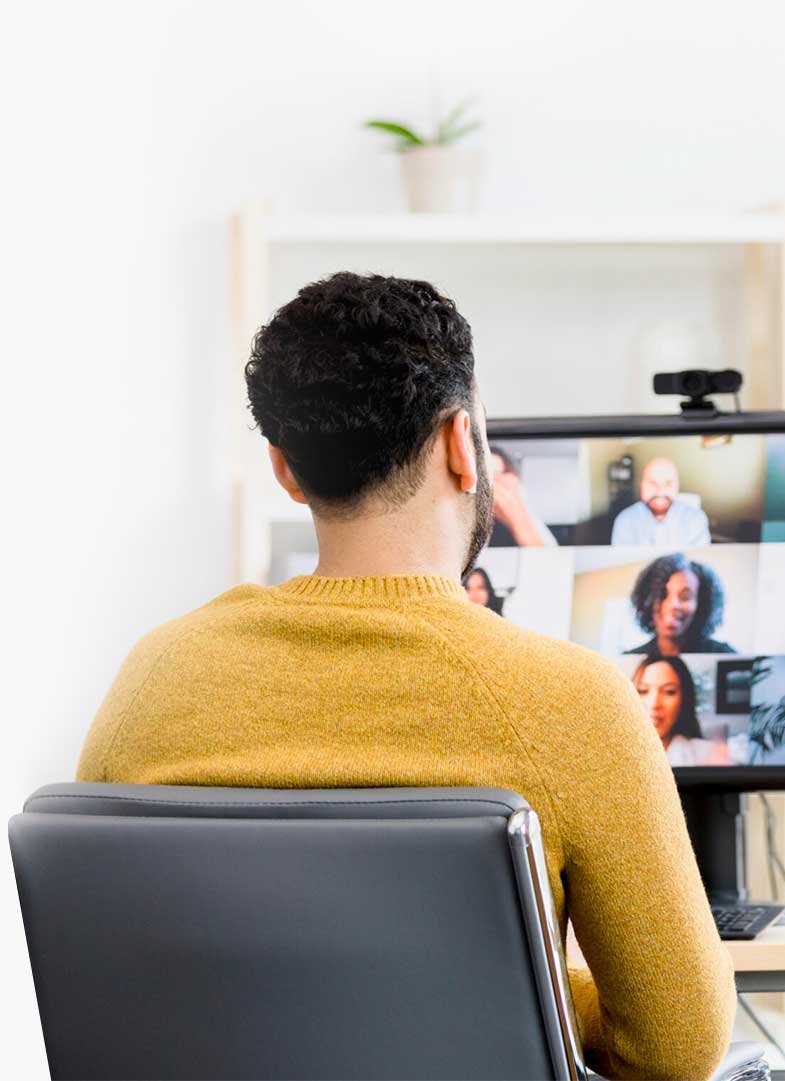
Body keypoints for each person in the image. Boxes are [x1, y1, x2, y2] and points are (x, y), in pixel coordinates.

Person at [76, 272, 733, 1080]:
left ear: (286, 469)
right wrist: (504, 979)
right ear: (464, 443)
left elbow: (116, 982)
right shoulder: (575, 702)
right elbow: (676, 1046)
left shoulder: (156, 675)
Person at [626, 552, 736, 657]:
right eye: (663, 594)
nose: (673, 605)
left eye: (685, 597)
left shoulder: (725, 657)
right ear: (647, 600)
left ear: (701, 604)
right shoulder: (628, 661)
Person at [632, 656, 731, 767]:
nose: (654, 704)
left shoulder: (710, 754)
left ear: (684, 700)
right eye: (643, 691)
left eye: (669, 692)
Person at [611, 457, 711, 546]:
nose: (660, 492)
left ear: (677, 486)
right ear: (641, 485)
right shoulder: (624, 521)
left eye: (668, 483)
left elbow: (698, 562)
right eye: (652, 483)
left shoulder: (696, 519)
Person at [488, 445, 558, 547]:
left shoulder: (524, 512)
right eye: (488, 477)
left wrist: (515, 516)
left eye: (498, 476)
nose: (494, 486)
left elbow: (549, 555)